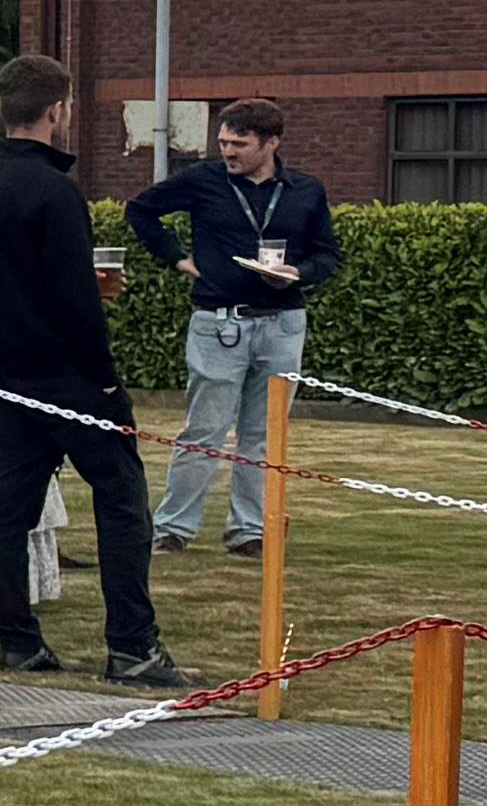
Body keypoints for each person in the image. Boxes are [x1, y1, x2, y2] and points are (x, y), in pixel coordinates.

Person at [0, 53, 180, 689]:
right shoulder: (54, 192)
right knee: (122, 499)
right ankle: (133, 645)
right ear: (57, 112)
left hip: (1, 370)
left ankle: (19, 641)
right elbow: (76, 301)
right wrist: (106, 381)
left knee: (5, 506)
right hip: (66, 375)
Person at [128, 98, 337, 557]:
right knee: (203, 429)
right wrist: (176, 259)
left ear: (271, 143)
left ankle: (249, 532)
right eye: (223, 142)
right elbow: (141, 210)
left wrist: (299, 274)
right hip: (219, 320)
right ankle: (173, 529)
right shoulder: (203, 180)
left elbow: (328, 255)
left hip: (282, 323)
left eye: (239, 143)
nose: (228, 151)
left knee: (262, 434)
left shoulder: (305, 190)